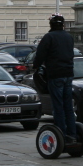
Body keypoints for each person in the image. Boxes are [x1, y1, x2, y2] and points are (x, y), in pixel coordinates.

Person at [34, 14, 77, 143]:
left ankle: (62, 134)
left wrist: (35, 66)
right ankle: (73, 134)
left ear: (51, 25)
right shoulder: (69, 37)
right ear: (62, 25)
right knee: (68, 106)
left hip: (55, 75)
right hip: (68, 74)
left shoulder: (49, 37)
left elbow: (40, 54)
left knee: (58, 106)